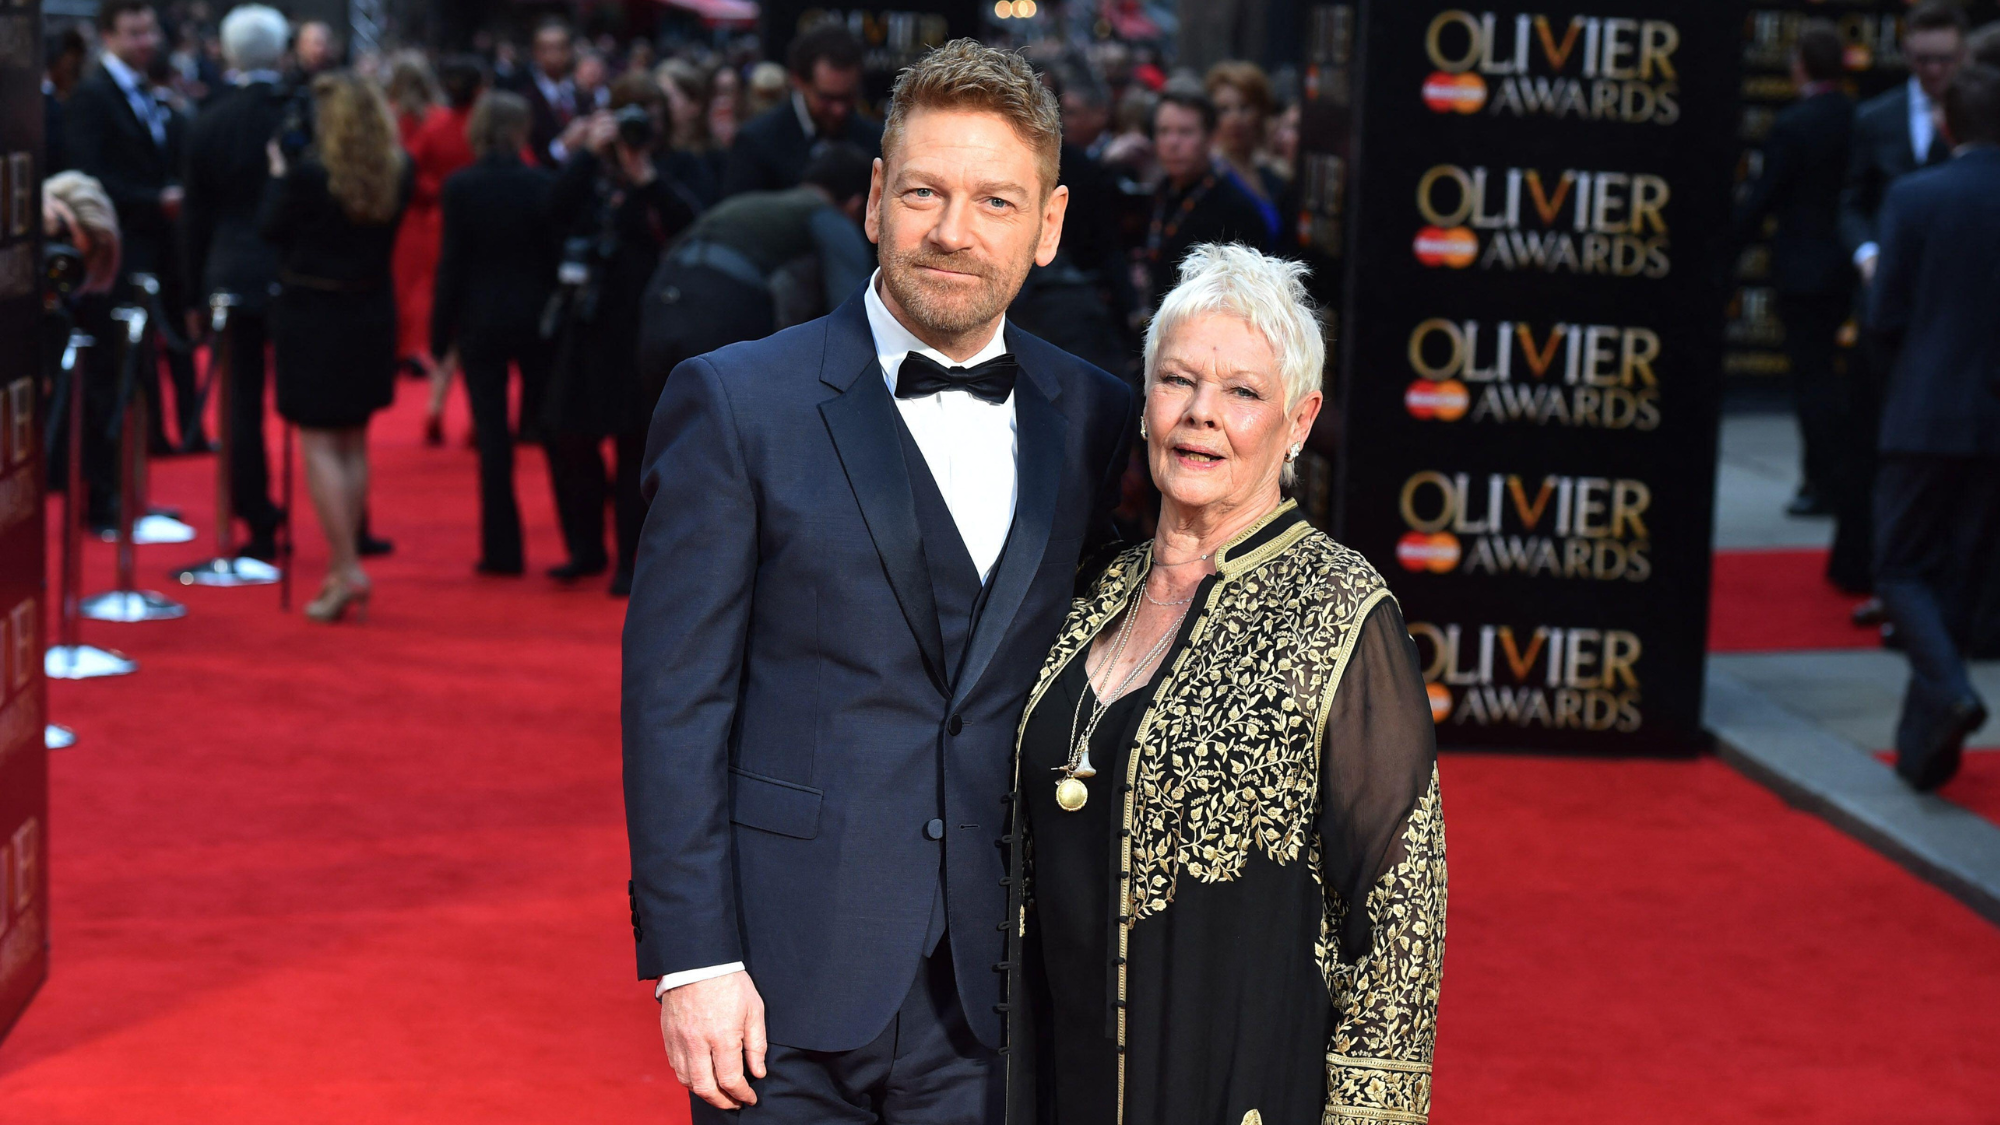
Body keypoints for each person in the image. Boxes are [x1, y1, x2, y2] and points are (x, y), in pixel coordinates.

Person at [624, 39, 1131, 1124]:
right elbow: (674, 703)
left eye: (995, 200)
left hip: (998, 998)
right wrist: (692, 959)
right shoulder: (734, 404)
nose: (952, 231)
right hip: (776, 986)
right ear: (871, 201)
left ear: (1046, 226)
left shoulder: (1094, 419)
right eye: (923, 193)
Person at [1005, 243, 1444, 1124]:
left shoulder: (1341, 609)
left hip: (1235, 1087)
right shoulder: (1092, 586)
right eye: (1177, 381)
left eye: (1243, 392)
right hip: (1052, 1081)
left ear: (1298, 419)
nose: (1202, 415)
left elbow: (1400, 913)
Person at [1865, 63, 2000, 791]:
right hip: (1993, 421)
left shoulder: (1917, 196)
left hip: (1925, 409)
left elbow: (1883, 316)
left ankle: (1949, 694)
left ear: (1947, 124)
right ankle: (1925, 754)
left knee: (1899, 568)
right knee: (1955, 580)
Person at [259, 71, 412, 623]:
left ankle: (345, 566)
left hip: (314, 314)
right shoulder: (398, 169)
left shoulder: (308, 177)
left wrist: (279, 172)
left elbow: (268, 228)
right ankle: (342, 566)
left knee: (321, 444)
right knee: (352, 441)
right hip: (369, 313)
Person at [1834, 1, 1969, 603]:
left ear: (1962, 55)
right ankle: (1876, 568)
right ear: (1906, 54)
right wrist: (1866, 255)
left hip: (1958, 316)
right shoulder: (1876, 117)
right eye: (1921, 59)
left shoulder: (1983, 118)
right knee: (1877, 443)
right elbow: (1850, 199)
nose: (1933, 70)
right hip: (1887, 310)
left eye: (1944, 59)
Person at [541, 76, 696, 596]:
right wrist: (585, 154)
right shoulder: (592, 167)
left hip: (646, 320)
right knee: (571, 438)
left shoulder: (677, 163)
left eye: (647, 113)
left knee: (635, 446)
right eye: (628, 114)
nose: (636, 126)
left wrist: (645, 175)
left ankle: (630, 563)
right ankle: (584, 549)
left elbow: (690, 222)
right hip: (584, 321)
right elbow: (549, 213)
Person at [67, 0, 206, 455]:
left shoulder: (146, 90)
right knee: (126, 361)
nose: (146, 43)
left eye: (149, 32)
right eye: (134, 33)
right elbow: (89, 177)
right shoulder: (93, 95)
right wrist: (155, 200)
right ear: (108, 36)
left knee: (158, 350)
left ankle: (169, 439)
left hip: (158, 245)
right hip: (122, 250)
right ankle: (130, 463)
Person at [1732, 22, 1855, 522]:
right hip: (1848, 264)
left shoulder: (1793, 124)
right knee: (1830, 378)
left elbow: (1764, 198)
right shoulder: (1858, 117)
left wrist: (1725, 252)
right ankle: (1834, 479)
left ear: (1800, 65)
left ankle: (1820, 482)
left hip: (1804, 270)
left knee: (1812, 381)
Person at [636, 143, 874, 400]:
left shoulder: (747, 204)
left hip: (658, 300)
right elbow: (851, 308)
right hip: (719, 310)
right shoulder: (826, 215)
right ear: (857, 204)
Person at [181, 3, 291, 560]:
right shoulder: (300, 113)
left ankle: (257, 518)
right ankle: (350, 520)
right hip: (299, 273)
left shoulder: (209, 120)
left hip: (229, 273)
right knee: (320, 406)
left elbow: (195, 219)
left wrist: (191, 293)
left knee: (241, 405)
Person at [432, 90, 557, 577]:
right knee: (553, 432)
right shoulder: (542, 183)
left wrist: (440, 333)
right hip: (534, 320)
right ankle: (577, 541)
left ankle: (502, 551)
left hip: (481, 320)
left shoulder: (461, 187)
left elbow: (452, 265)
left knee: (492, 439)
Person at [1139, 87, 1270, 313]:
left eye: (1185, 132)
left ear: (1211, 138)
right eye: (1164, 131)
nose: (1172, 142)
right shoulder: (1162, 191)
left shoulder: (1236, 209)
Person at [720, 25, 883, 197]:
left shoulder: (874, 141)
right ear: (798, 81)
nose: (839, 110)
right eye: (827, 98)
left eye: (848, 97)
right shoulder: (756, 142)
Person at [1204, 60, 1286, 244]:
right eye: (1224, 109)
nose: (1235, 119)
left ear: (1260, 112)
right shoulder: (1208, 176)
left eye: (1244, 107)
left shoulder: (1274, 175)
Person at [520, 20, 578, 168]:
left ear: (570, 51)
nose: (553, 55)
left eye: (560, 48)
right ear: (535, 53)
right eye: (545, 49)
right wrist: (563, 146)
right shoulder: (524, 100)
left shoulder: (584, 94)